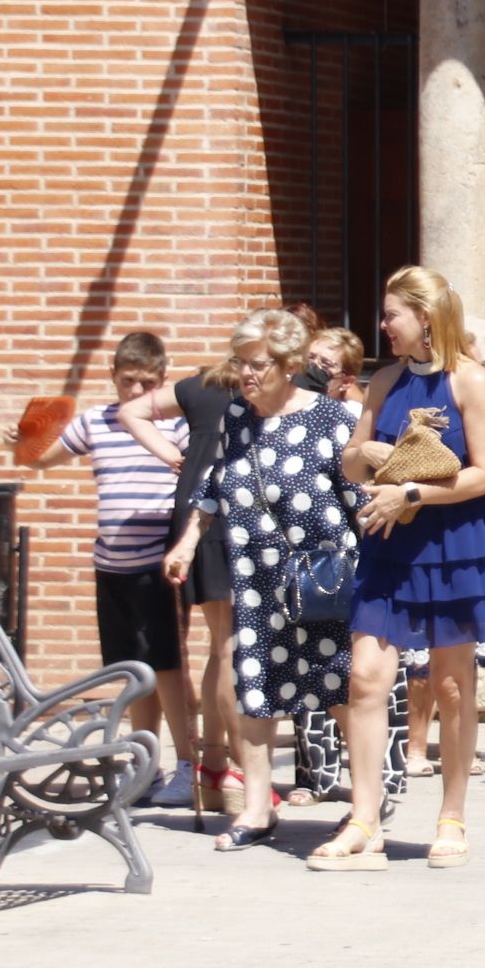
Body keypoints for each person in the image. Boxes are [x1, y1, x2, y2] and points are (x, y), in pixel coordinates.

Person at [319, 266, 485, 871]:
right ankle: (364, 820)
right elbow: (351, 462)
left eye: (391, 314)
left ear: (424, 318)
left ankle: (451, 816)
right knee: (366, 680)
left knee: (453, 687)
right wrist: (365, 454)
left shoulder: (471, 382)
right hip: (388, 546)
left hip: (454, 544)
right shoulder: (383, 381)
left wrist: (415, 494)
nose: (383, 325)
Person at [159, 310, 367, 855]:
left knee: (340, 686)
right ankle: (256, 806)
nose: (245, 375)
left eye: (256, 365)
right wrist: (185, 542)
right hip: (254, 575)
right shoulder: (237, 417)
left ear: (291, 365)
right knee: (256, 686)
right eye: (241, 364)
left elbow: (362, 500)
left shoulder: (331, 419)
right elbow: (213, 483)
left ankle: (364, 808)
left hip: (321, 579)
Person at [6, 332, 197, 806]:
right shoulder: (95, 422)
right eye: (128, 381)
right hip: (110, 563)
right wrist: (25, 440)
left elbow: (199, 479)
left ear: (163, 379)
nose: (136, 391)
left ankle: (189, 765)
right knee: (133, 670)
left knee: (169, 666)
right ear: (113, 376)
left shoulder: (174, 426)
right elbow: (40, 461)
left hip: (158, 563)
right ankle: (143, 762)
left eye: (147, 383)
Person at [120, 341, 245, 812]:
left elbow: (131, 412)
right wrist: (171, 452)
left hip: (196, 508)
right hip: (222, 515)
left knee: (222, 644)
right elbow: (132, 410)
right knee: (231, 645)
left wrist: (175, 454)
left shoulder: (201, 386)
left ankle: (214, 763)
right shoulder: (248, 388)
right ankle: (236, 769)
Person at [306, 326, 368, 407]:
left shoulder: (349, 415)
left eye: (326, 364)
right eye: (310, 357)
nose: (313, 365)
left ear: (346, 382)